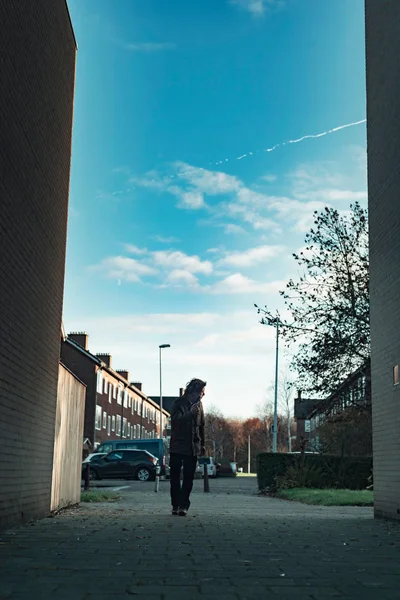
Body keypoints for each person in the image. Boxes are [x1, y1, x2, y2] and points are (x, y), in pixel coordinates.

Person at [169, 378, 206, 516]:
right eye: (202, 391)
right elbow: (176, 422)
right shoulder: (178, 403)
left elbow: (201, 426)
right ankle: (175, 504)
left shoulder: (200, 405)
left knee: (189, 478)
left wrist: (202, 445)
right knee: (175, 477)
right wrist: (190, 414)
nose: (203, 394)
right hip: (178, 446)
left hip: (192, 447)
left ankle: (184, 505)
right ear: (194, 391)